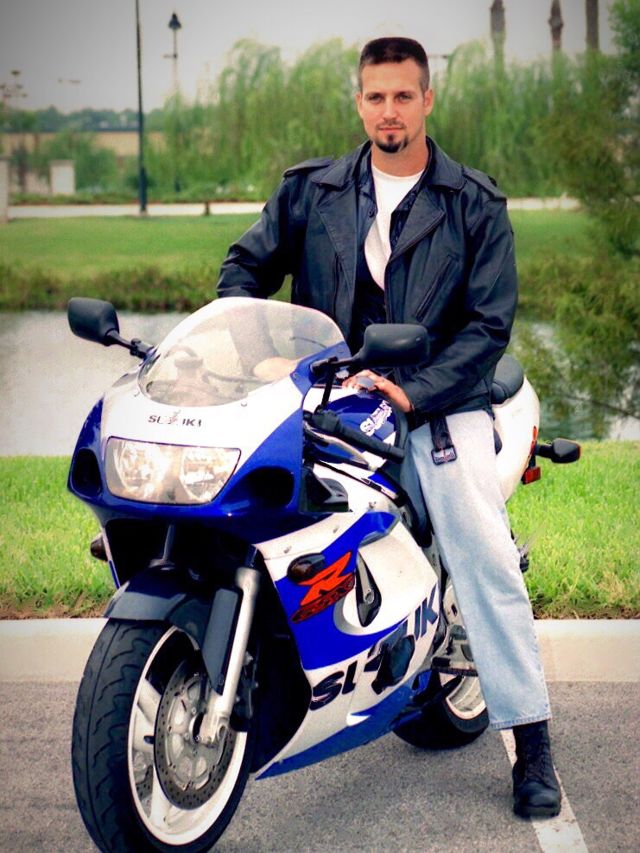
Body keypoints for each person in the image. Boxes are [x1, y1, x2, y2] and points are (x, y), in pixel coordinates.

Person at [217, 36, 561, 819]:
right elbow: (243, 272)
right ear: (359, 102)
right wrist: (258, 349)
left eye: (404, 96)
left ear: (427, 100)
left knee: (479, 544)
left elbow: (487, 328)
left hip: (439, 399)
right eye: (376, 97)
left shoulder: (473, 203)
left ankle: (532, 739)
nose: (389, 111)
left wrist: (415, 391)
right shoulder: (311, 191)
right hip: (327, 392)